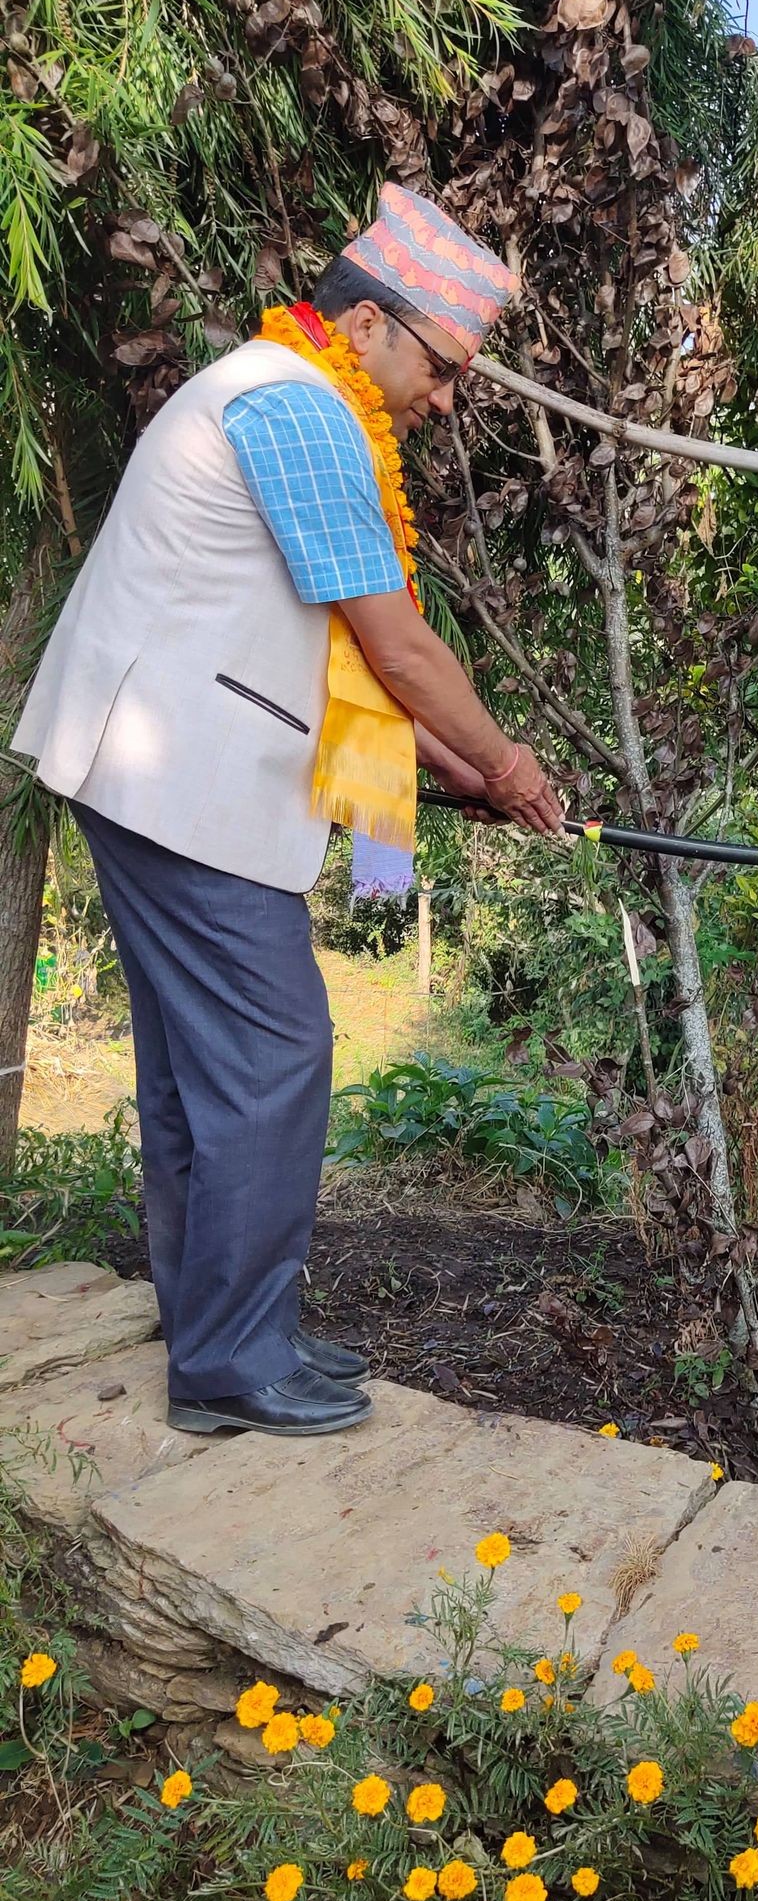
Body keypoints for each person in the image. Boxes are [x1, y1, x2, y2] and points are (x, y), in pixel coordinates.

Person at [10, 184, 563, 1439]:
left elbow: (351, 667)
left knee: (205, 1068)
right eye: (446, 365)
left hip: (158, 772)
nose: (448, 398)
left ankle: (222, 1328)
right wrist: (510, 761)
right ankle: (229, 1357)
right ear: (367, 326)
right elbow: (398, 648)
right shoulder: (299, 408)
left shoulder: (292, 399)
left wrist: (463, 769)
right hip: (174, 779)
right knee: (274, 1054)